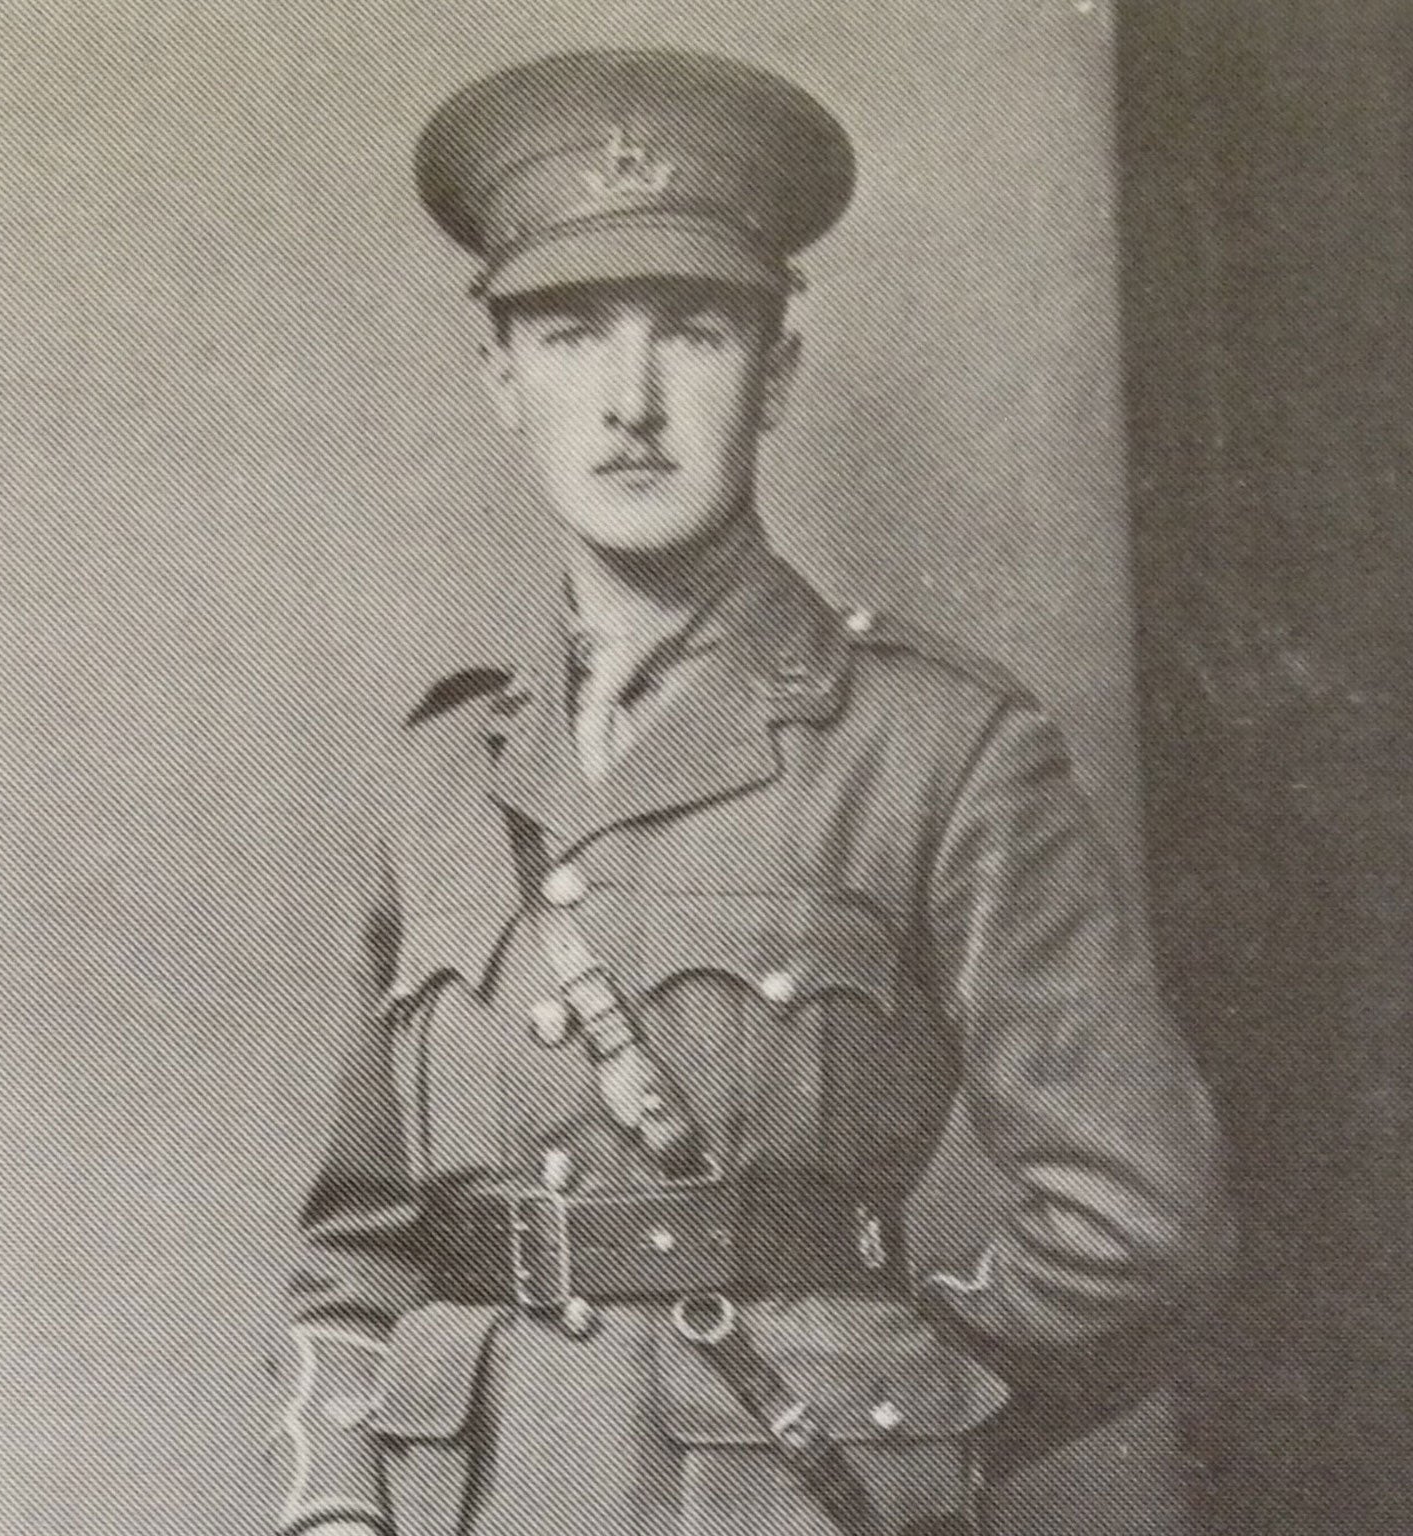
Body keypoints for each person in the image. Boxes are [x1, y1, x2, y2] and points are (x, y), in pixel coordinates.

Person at [273, 48, 1232, 1536]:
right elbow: (357, 1253)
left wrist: (890, 1426)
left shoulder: (941, 748)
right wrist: (339, 1511)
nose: (631, 401)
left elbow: (1140, 1226)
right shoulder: (435, 782)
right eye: (574, 335)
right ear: (498, 377)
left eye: (697, 334)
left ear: (777, 373)